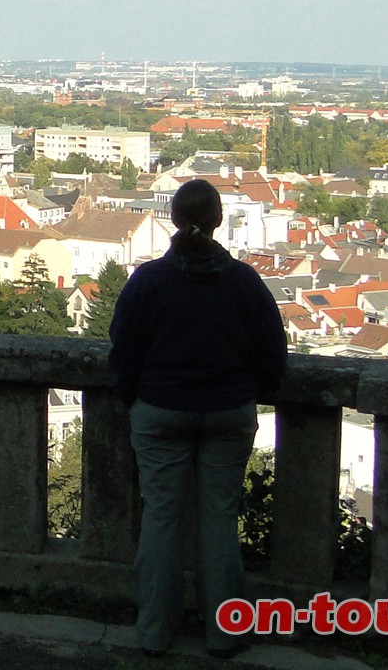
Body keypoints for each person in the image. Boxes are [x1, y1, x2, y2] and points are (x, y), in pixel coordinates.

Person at [108, 178, 287, 657]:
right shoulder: (244, 281)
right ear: (218, 220)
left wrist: (135, 398)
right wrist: (252, 391)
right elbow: (274, 352)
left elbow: (122, 350)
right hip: (228, 408)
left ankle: (153, 632)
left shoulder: (149, 280)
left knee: (162, 519)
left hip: (161, 407)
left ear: (172, 219)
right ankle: (225, 633)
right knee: (219, 521)